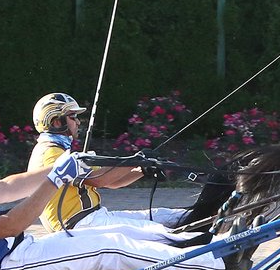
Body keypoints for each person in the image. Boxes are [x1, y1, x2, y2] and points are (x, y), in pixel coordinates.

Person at [0, 122, 239, 270]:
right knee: (109, 246)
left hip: (21, 250)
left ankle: (204, 246)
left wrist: (66, 166)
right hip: (10, 265)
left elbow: (7, 187)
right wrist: (57, 180)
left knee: (122, 232)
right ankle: (216, 267)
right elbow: (13, 225)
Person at [27, 92, 229, 240]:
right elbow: (100, 179)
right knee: (161, 233)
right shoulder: (51, 153)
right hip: (78, 225)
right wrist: (136, 160)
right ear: (56, 122)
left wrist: (141, 169)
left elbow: (111, 183)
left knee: (168, 216)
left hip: (92, 218)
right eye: (73, 117)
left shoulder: (56, 149)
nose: (78, 122)